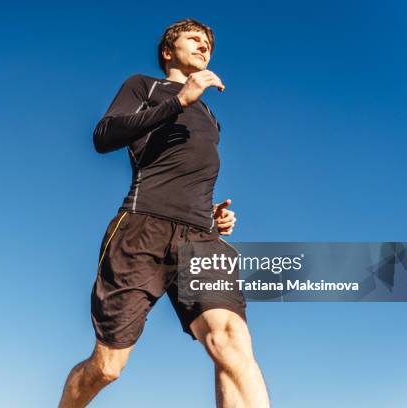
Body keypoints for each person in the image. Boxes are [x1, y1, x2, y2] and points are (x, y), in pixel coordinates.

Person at [59, 18, 270, 408]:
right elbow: (103, 136)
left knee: (231, 342)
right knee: (107, 366)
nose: (204, 46)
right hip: (142, 228)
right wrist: (178, 101)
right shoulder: (145, 86)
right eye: (194, 39)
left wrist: (213, 214)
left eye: (208, 43)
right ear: (168, 51)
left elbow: (184, 171)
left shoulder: (210, 117)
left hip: (202, 239)